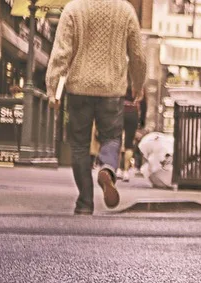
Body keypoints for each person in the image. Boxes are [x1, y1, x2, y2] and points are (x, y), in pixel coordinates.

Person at [46, 0, 146, 214]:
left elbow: (61, 53)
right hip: (112, 89)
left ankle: (84, 202)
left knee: (80, 146)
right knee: (111, 137)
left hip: (78, 89)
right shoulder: (125, 10)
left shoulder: (74, 9)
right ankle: (108, 171)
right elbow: (137, 54)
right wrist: (138, 85)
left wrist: (52, 88)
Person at [120, 82, 140, 182]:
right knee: (129, 143)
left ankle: (117, 169)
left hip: (120, 110)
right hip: (133, 112)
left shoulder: (120, 80)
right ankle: (126, 172)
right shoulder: (137, 84)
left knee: (117, 140)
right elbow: (143, 101)